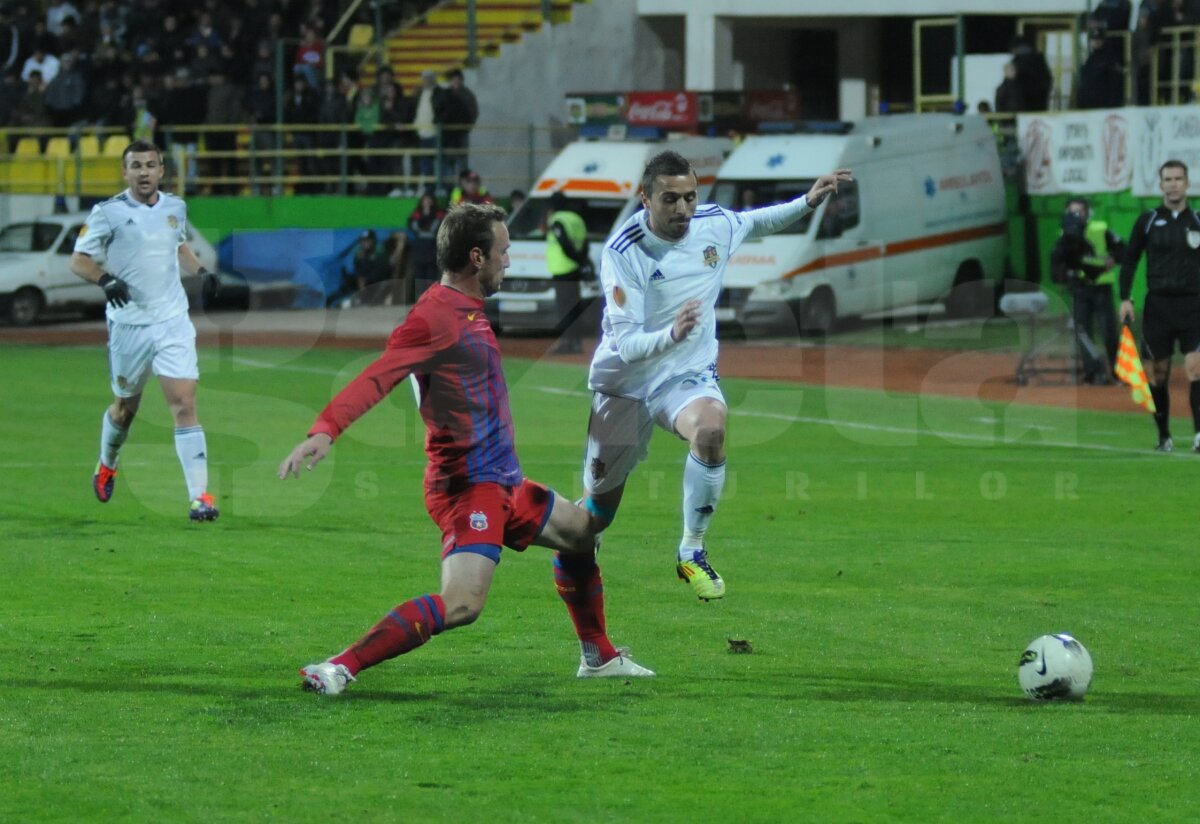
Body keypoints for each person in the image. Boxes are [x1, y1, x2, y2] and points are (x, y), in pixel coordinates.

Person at [279, 203, 653, 695]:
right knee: (462, 605)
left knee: (583, 534)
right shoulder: (434, 315)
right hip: (467, 486)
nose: (509, 262)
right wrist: (326, 428)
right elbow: (381, 373)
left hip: (504, 481)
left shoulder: (468, 309)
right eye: (504, 253)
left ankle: (598, 657)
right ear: (476, 257)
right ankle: (338, 667)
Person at [580, 151, 852, 600]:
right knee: (594, 515)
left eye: (689, 197)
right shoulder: (623, 252)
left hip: (683, 375)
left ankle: (691, 550)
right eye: (670, 199)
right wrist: (671, 332)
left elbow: (756, 222)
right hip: (626, 383)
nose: (683, 209)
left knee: (710, 431)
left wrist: (806, 201)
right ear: (644, 198)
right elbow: (628, 346)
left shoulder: (714, 223)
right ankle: (577, 544)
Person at [68, 139, 221, 521]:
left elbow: (178, 246)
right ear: (125, 172)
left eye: (150, 165)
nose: (144, 173)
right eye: (136, 166)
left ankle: (200, 498)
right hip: (129, 326)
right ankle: (107, 462)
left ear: (161, 171)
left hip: (172, 322)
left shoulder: (175, 207)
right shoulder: (108, 212)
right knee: (124, 409)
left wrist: (201, 272)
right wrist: (105, 280)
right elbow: (78, 260)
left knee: (185, 405)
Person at [1118, 159, 1200, 453]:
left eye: (1179, 178)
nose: (1174, 183)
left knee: (1196, 368)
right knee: (1158, 374)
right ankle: (1164, 436)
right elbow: (1130, 260)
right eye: (1168, 179)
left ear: (1188, 183)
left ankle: (1199, 436)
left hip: (1194, 305)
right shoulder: (1148, 220)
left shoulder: (1198, 220)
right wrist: (1125, 297)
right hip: (1158, 308)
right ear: (1161, 184)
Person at [1049, 197, 1124, 385]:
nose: (1076, 217)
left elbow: (1123, 249)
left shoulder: (1100, 229)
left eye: (1080, 212)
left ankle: (1118, 372)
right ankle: (1093, 373)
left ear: (1088, 213)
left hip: (1101, 287)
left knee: (1108, 331)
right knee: (1083, 332)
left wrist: (1113, 259)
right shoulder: (1064, 235)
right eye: (1072, 213)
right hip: (1079, 288)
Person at [546, 190, 592, 355]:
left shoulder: (557, 220)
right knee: (574, 307)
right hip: (575, 270)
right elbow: (586, 243)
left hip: (563, 269)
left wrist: (575, 259)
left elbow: (564, 244)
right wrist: (581, 262)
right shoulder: (577, 219)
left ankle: (568, 343)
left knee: (565, 308)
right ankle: (576, 342)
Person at [406, 191, 444, 299]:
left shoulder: (439, 213)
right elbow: (413, 226)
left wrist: (426, 220)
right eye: (425, 201)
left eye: (429, 201)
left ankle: (431, 299)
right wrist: (425, 221)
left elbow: (435, 228)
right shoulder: (416, 213)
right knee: (419, 275)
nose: (427, 203)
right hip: (419, 248)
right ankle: (420, 299)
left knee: (431, 276)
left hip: (432, 247)